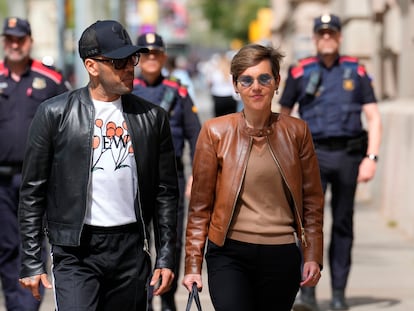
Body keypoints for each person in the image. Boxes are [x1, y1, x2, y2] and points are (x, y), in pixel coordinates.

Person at [18, 20, 179, 310]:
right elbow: (32, 192)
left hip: (130, 248)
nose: (130, 67)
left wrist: (166, 256)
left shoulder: (153, 118)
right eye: (119, 62)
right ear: (92, 66)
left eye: (132, 58)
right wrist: (31, 260)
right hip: (75, 250)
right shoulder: (54, 114)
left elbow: (165, 193)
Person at [182, 43, 325, 311]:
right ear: (235, 84)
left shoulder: (297, 132)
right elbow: (200, 207)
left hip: (281, 254)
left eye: (264, 78)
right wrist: (192, 265)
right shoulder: (215, 132)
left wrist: (313, 254)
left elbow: (313, 202)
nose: (255, 87)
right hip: (228, 254)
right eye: (246, 80)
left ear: (277, 82)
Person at [279, 14, 382, 311]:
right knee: (308, 225)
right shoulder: (300, 72)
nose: (326, 38)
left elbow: (373, 117)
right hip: (312, 157)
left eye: (331, 33)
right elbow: (284, 115)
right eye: (321, 34)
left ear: (339, 37)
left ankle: (339, 293)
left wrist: (371, 158)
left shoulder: (356, 71)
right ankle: (307, 292)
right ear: (314, 38)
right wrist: (287, 158)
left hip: (349, 156)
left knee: (343, 225)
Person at [0, 16, 69, 310]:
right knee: (6, 247)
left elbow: (70, 122)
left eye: (21, 39)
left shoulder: (50, 79)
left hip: (38, 180)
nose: (15, 44)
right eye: (10, 39)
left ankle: (29, 305)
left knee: (33, 245)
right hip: (2, 181)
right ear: (4, 42)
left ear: (29, 41)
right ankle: (16, 305)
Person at [133, 32, 201, 311]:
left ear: (163, 57)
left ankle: (169, 298)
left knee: (169, 238)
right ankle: (144, 300)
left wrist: (197, 174)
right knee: (139, 239)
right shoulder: (127, 90)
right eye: (145, 53)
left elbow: (196, 135)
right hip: (134, 176)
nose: (151, 58)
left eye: (156, 53)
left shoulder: (179, 91)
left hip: (171, 176)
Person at [205, 52, 239, 116]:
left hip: (218, 95)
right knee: (231, 118)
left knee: (219, 118)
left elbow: (209, 82)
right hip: (230, 96)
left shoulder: (215, 72)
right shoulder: (232, 71)